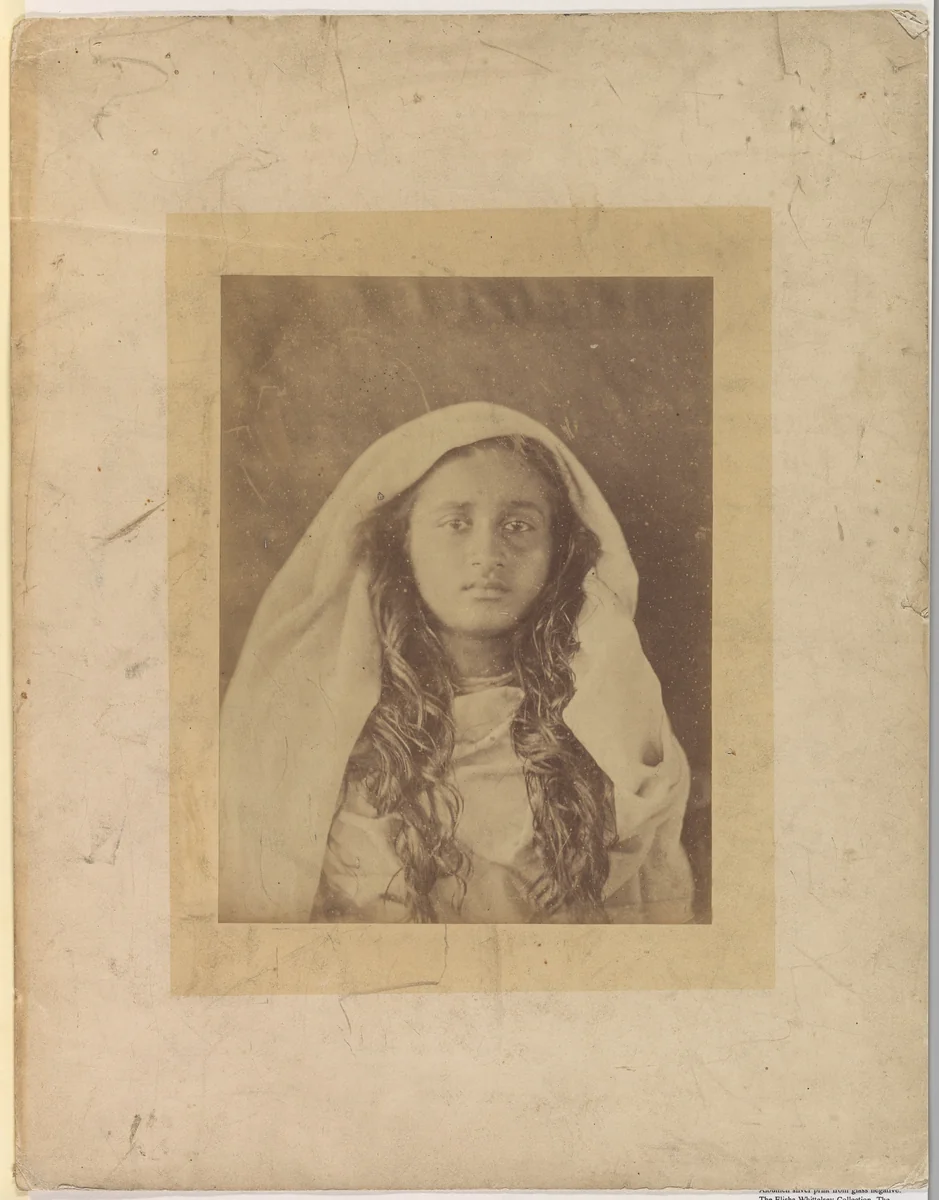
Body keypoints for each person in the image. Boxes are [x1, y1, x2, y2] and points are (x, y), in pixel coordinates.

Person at [219, 402, 694, 925]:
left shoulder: (619, 739)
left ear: (558, 551)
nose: (486, 553)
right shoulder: (317, 735)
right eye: (455, 523)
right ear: (404, 547)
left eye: (518, 525)